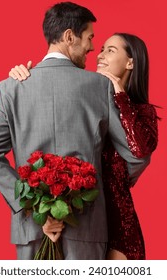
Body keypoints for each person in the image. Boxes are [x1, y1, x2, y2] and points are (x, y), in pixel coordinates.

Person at [0, 2, 150, 260]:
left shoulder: (11, 87)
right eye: (90, 38)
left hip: (32, 229)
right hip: (88, 227)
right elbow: (136, 156)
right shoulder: (99, 86)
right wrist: (103, 185)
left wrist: (31, 204)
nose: (92, 47)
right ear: (70, 37)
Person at [9, 33, 158, 260]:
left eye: (110, 50)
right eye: (101, 49)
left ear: (130, 62)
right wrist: (26, 79)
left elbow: (139, 152)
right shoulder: (88, 94)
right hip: (78, 218)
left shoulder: (142, 111)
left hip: (117, 221)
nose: (99, 55)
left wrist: (120, 96)